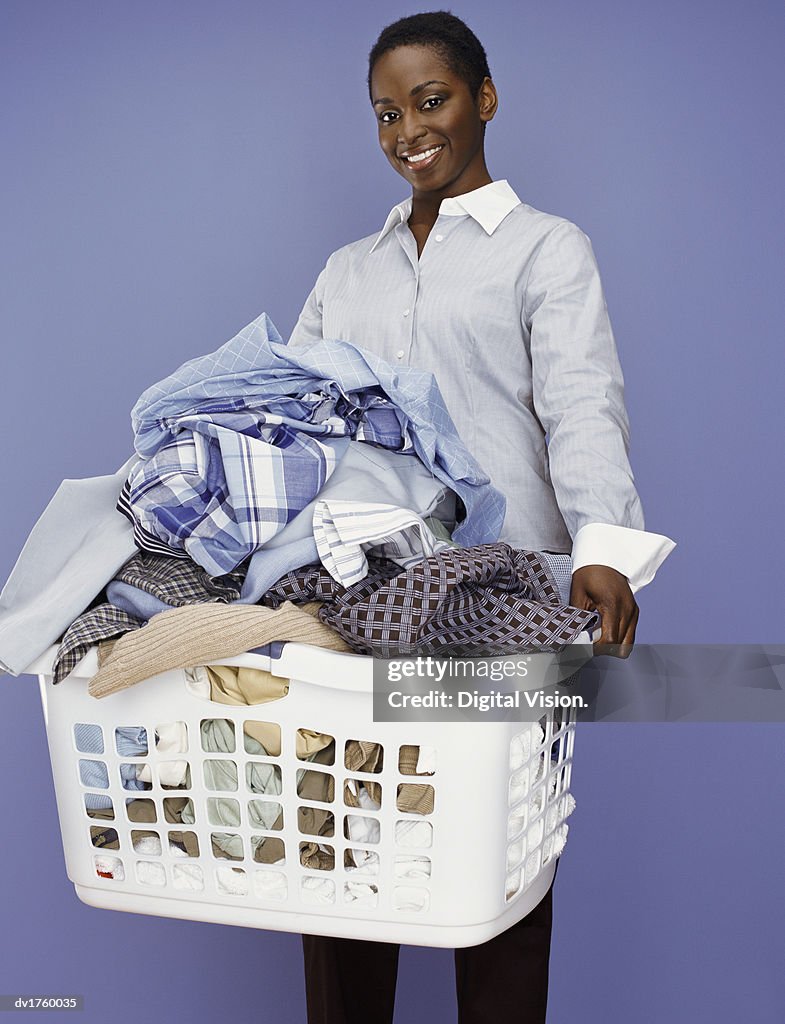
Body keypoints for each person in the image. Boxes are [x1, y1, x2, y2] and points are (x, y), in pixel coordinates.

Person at [289, 11, 673, 1023]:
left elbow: (581, 402)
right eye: (384, 112)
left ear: (481, 99)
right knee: (341, 851)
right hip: (360, 597)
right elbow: (296, 423)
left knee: (494, 861)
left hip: (504, 594)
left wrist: (602, 548)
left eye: (429, 100)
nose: (405, 130)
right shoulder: (344, 272)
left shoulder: (546, 250)